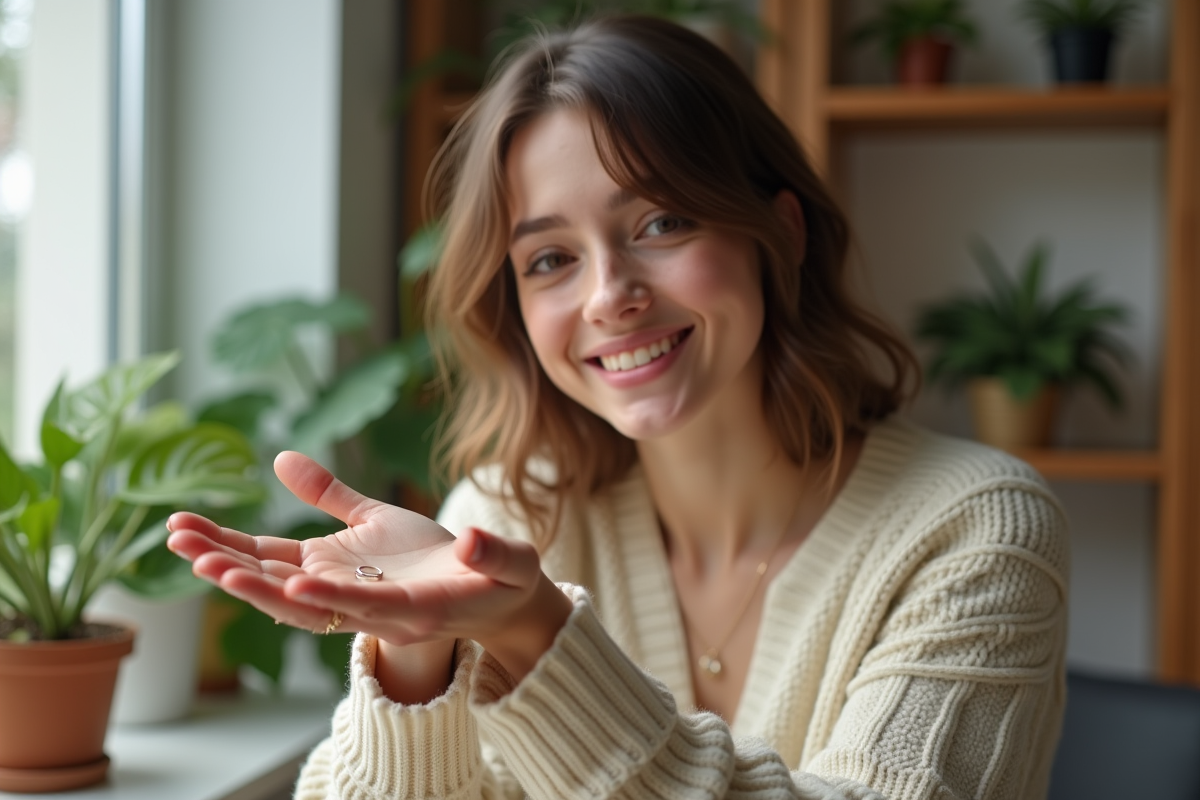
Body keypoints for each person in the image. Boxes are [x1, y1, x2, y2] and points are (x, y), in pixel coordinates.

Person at [167, 15, 1068, 800]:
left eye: (662, 223)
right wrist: (415, 662)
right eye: (551, 259)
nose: (610, 296)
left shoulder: (975, 529)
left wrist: (539, 640)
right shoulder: (512, 510)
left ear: (779, 234)